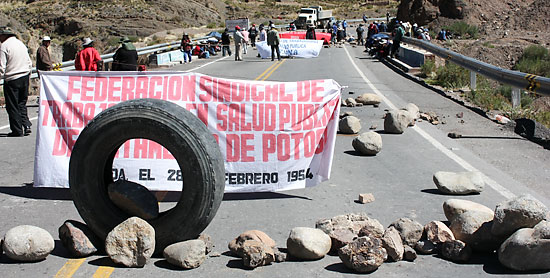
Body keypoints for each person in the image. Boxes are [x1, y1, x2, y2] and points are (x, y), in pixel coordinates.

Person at [0, 27, 33, 137]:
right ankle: (26, 125)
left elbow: (1, 67)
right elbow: (29, 62)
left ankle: (17, 130)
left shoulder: (4, 46)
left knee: (12, 105)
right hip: (24, 76)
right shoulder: (20, 44)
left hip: (12, 78)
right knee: (22, 103)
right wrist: (28, 73)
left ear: (4, 35)